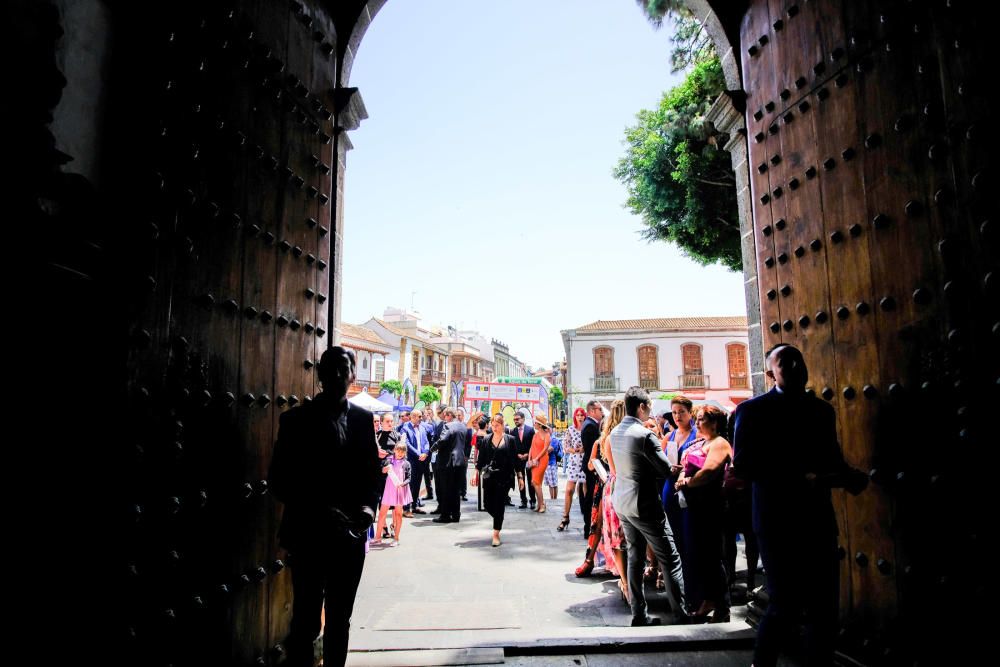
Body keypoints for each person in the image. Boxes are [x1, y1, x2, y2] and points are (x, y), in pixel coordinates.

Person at [732, 344, 868, 667]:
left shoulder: (822, 411)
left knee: (824, 607)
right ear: (770, 373)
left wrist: (847, 477)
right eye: (785, 362)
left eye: (798, 360)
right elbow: (743, 466)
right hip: (776, 522)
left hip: (817, 518)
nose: (795, 366)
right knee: (783, 604)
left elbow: (830, 460)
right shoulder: (751, 411)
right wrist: (797, 476)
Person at [267, 346, 382, 667]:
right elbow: (279, 480)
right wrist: (317, 510)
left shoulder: (362, 420)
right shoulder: (295, 421)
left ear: (352, 376)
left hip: (350, 537)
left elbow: (373, 476)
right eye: (329, 369)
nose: (336, 376)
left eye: (343, 369)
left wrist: (369, 510)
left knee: (339, 621)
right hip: (308, 535)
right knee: (305, 618)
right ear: (319, 374)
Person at [611, 385, 688, 626]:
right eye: (650, 407)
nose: (650, 412)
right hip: (644, 503)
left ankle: (639, 614)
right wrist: (676, 469)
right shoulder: (644, 434)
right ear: (642, 406)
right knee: (670, 558)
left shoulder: (616, 432)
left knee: (635, 557)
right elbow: (665, 469)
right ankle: (681, 614)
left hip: (622, 501)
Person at [675, 404, 733, 622]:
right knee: (700, 554)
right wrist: (682, 476)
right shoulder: (703, 442)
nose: (697, 423)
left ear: (715, 422)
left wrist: (688, 482)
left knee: (712, 555)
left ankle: (722, 605)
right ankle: (708, 599)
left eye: (701, 419)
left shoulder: (720, 443)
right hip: (694, 506)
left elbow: (709, 471)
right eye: (697, 419)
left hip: (710, 505)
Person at [472, 413, 518, 546]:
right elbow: (480, 460)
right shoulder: (486, 439)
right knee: (487, 504)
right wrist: (476, 473)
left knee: (499, 505)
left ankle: (496, 533)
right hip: (489, 477)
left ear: (503, 425)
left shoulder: (510, 440)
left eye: (497, 426)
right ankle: (498, 518)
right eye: (492, 425)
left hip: (504, 478)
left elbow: (515, 460)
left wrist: (520, 478)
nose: (494, 428)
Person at [429, 407, 468, 523]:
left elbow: (442, 440)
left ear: (449, 415)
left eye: (445, 416)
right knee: (456, 490)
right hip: (460, 462)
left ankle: (445, 515)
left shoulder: (448, 426)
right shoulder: (463, 426)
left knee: (446, 489)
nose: (444, 419)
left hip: (448, 462)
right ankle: (456, 515)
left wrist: (432, 449)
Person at [373, 442, 413, 546]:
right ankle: (377, 537)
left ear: (405, 452)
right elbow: (382, 471)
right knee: (382, 513)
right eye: (398, 451)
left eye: (402, 451)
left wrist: (402, 484)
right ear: (395, 450)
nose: (400, 453)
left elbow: (409, 478)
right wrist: (384, 470)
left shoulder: (406, 463)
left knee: (399, 514)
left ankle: (396, 538)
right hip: (389, 489)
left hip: (400, 490)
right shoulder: (389, 459)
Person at [559, 407, 588, 531]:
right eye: (578, 415)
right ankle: (565, 517)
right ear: (575, 416)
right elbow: (566, 446)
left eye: (582, 415)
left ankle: (589, 518)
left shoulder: (588, 429)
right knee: (569, 490)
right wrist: (575, 450)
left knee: (586, 491)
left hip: (585, 462)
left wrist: (584, 449)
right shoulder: (570, 429)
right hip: (574, 462)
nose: (580, 417)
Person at [578, 400, 603, 537]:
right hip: (593, 468)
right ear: (592, 410)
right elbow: (591, 450)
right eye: (600, 409)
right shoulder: (590, 426)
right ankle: (588, 528)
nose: (602, 412)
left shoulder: (592, 424)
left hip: (593, 467)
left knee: (592, 498)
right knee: (591, 498)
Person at [400, 411, 430, 517]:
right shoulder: (405, 428)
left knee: (417, 483)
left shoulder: (422, 427)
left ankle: (415, 506)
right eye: (419, 416)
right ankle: (406, 508)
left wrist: (425, 453)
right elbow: (406, 443)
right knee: (410, 484)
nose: (421, 418)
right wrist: (419, 454)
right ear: (413, 417)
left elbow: (426, 442)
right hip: (411, 459)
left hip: (421, 459)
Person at [510, 411, 536, 508]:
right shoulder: (512, 431)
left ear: (523, 419)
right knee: (521, 480)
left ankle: (533, 500)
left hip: (529, 459)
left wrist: (527, 454)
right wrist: (517, 455)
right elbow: (512, 447)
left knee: (530, 481)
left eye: (517, 419)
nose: (515, 421)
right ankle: (523, 501)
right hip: (518, 460)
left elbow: (533, 445)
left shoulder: (530, 430)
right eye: (514, 420)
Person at [527, 413, 553, 512]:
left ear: (539, 424)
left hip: (541, 460)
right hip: (534, 460)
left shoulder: (547, 435)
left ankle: (542, 504)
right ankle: (540, 504)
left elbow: (545, 449)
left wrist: (536, 458)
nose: (534, 424)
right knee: (536, 483)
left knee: (535, 482)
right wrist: (530, 459)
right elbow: (531, 447)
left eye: (536, 423)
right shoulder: (535, 434)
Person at [544, 431, 562, 500]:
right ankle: (552, 499)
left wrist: (542, 449)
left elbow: (548, 450)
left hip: (552, 464)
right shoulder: (547, 439)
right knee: (550, 484)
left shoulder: (554, 440)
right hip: (546, 464)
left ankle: (554, 500)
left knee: (554, 484)